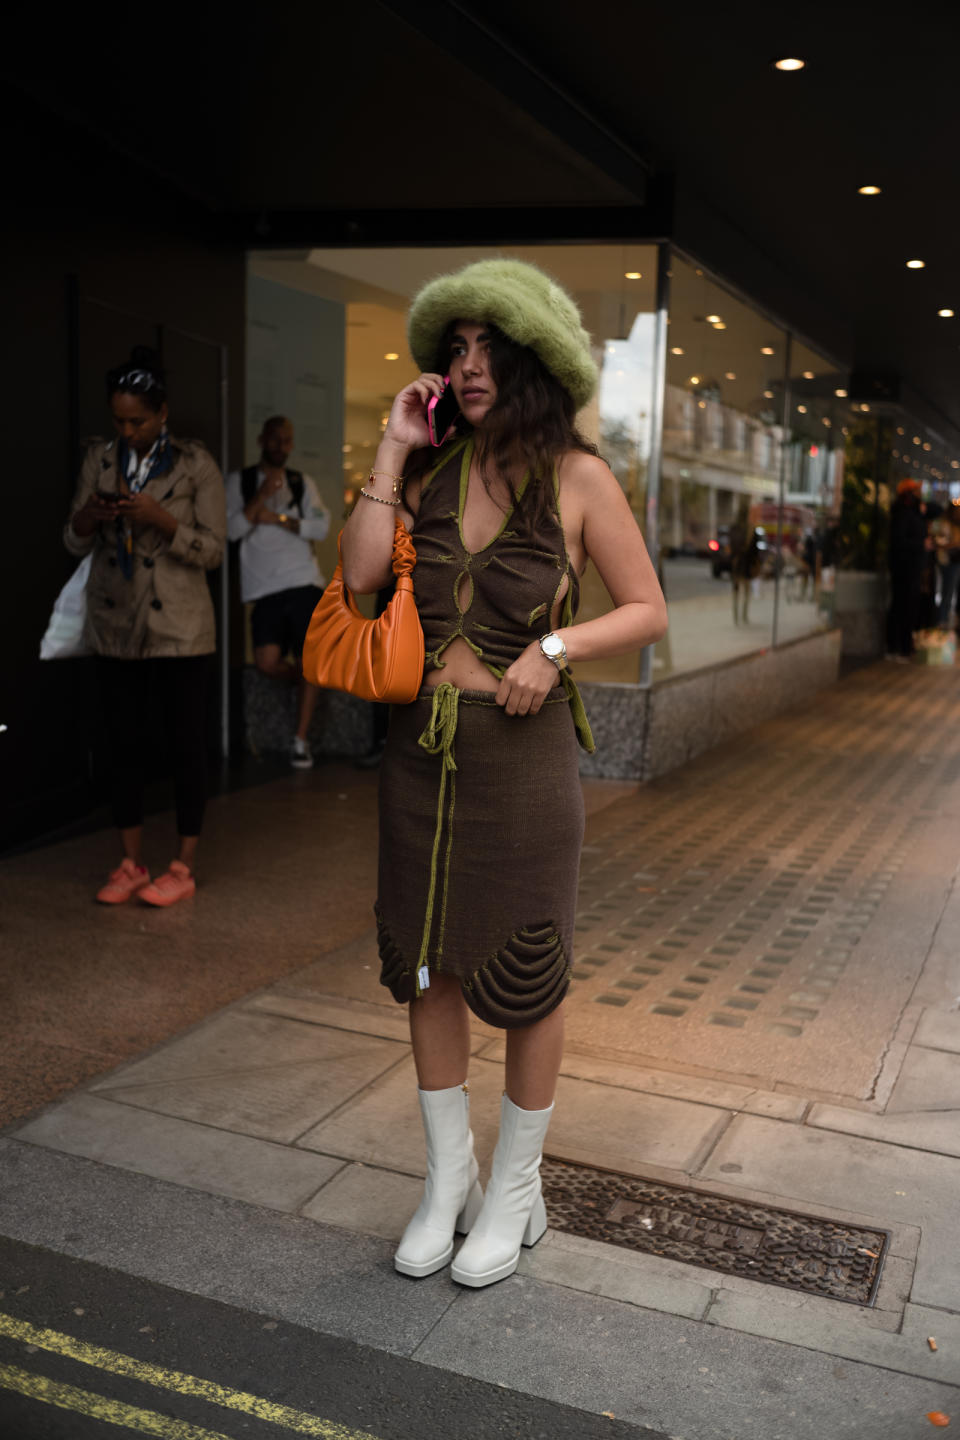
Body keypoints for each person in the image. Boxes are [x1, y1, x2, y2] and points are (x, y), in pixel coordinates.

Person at [341, 259, 667, 1288]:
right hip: (420, 758)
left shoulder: (577, 476)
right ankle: (450, 1182)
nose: (468, 365)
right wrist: (393, 448)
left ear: (530, 362)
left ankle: (518, 1190)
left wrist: (557, 649)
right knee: (425, 961)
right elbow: (355, 585)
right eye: (457, 349)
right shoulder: (430, 473)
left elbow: (647, 607)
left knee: (528, 975)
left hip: (523, 764)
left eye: (489, 348)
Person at [64, 347, 226, 905]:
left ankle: (183, 864)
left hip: (181, 626)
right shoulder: (101, 459)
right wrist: (90, 516)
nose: (127, 430)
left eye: (137, 420)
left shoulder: (193, 463)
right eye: (119, 420)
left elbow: (212, 551)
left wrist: (162, 521)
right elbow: (71, 537)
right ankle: (130, 861)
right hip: (116, 620)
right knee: (121, 745)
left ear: (161, 414)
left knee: (185, 746)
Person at [225, 416, 331, 768]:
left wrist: (282, 520)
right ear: (261, 440)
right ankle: (309, 685)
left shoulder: (302, 483)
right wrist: (262, 497)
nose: (281, 446)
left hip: (303, 583)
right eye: (275, 440)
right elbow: (232, 530)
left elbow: (321, 528)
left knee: (308, 662)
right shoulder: (239, 483)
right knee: (267, 663)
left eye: (287, 440)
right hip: (264, 589)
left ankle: (300, 740)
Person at [886, 479, 928, 659]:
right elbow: (899, 541)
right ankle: (897, 647)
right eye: (916, 492)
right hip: (904, 568)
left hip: (911, 567)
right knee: (902, 606)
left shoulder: (913, 512)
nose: (919, 495)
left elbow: (934, 509)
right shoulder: (903, 514)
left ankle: (903, 645)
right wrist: (921, 545)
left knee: (908, 607)